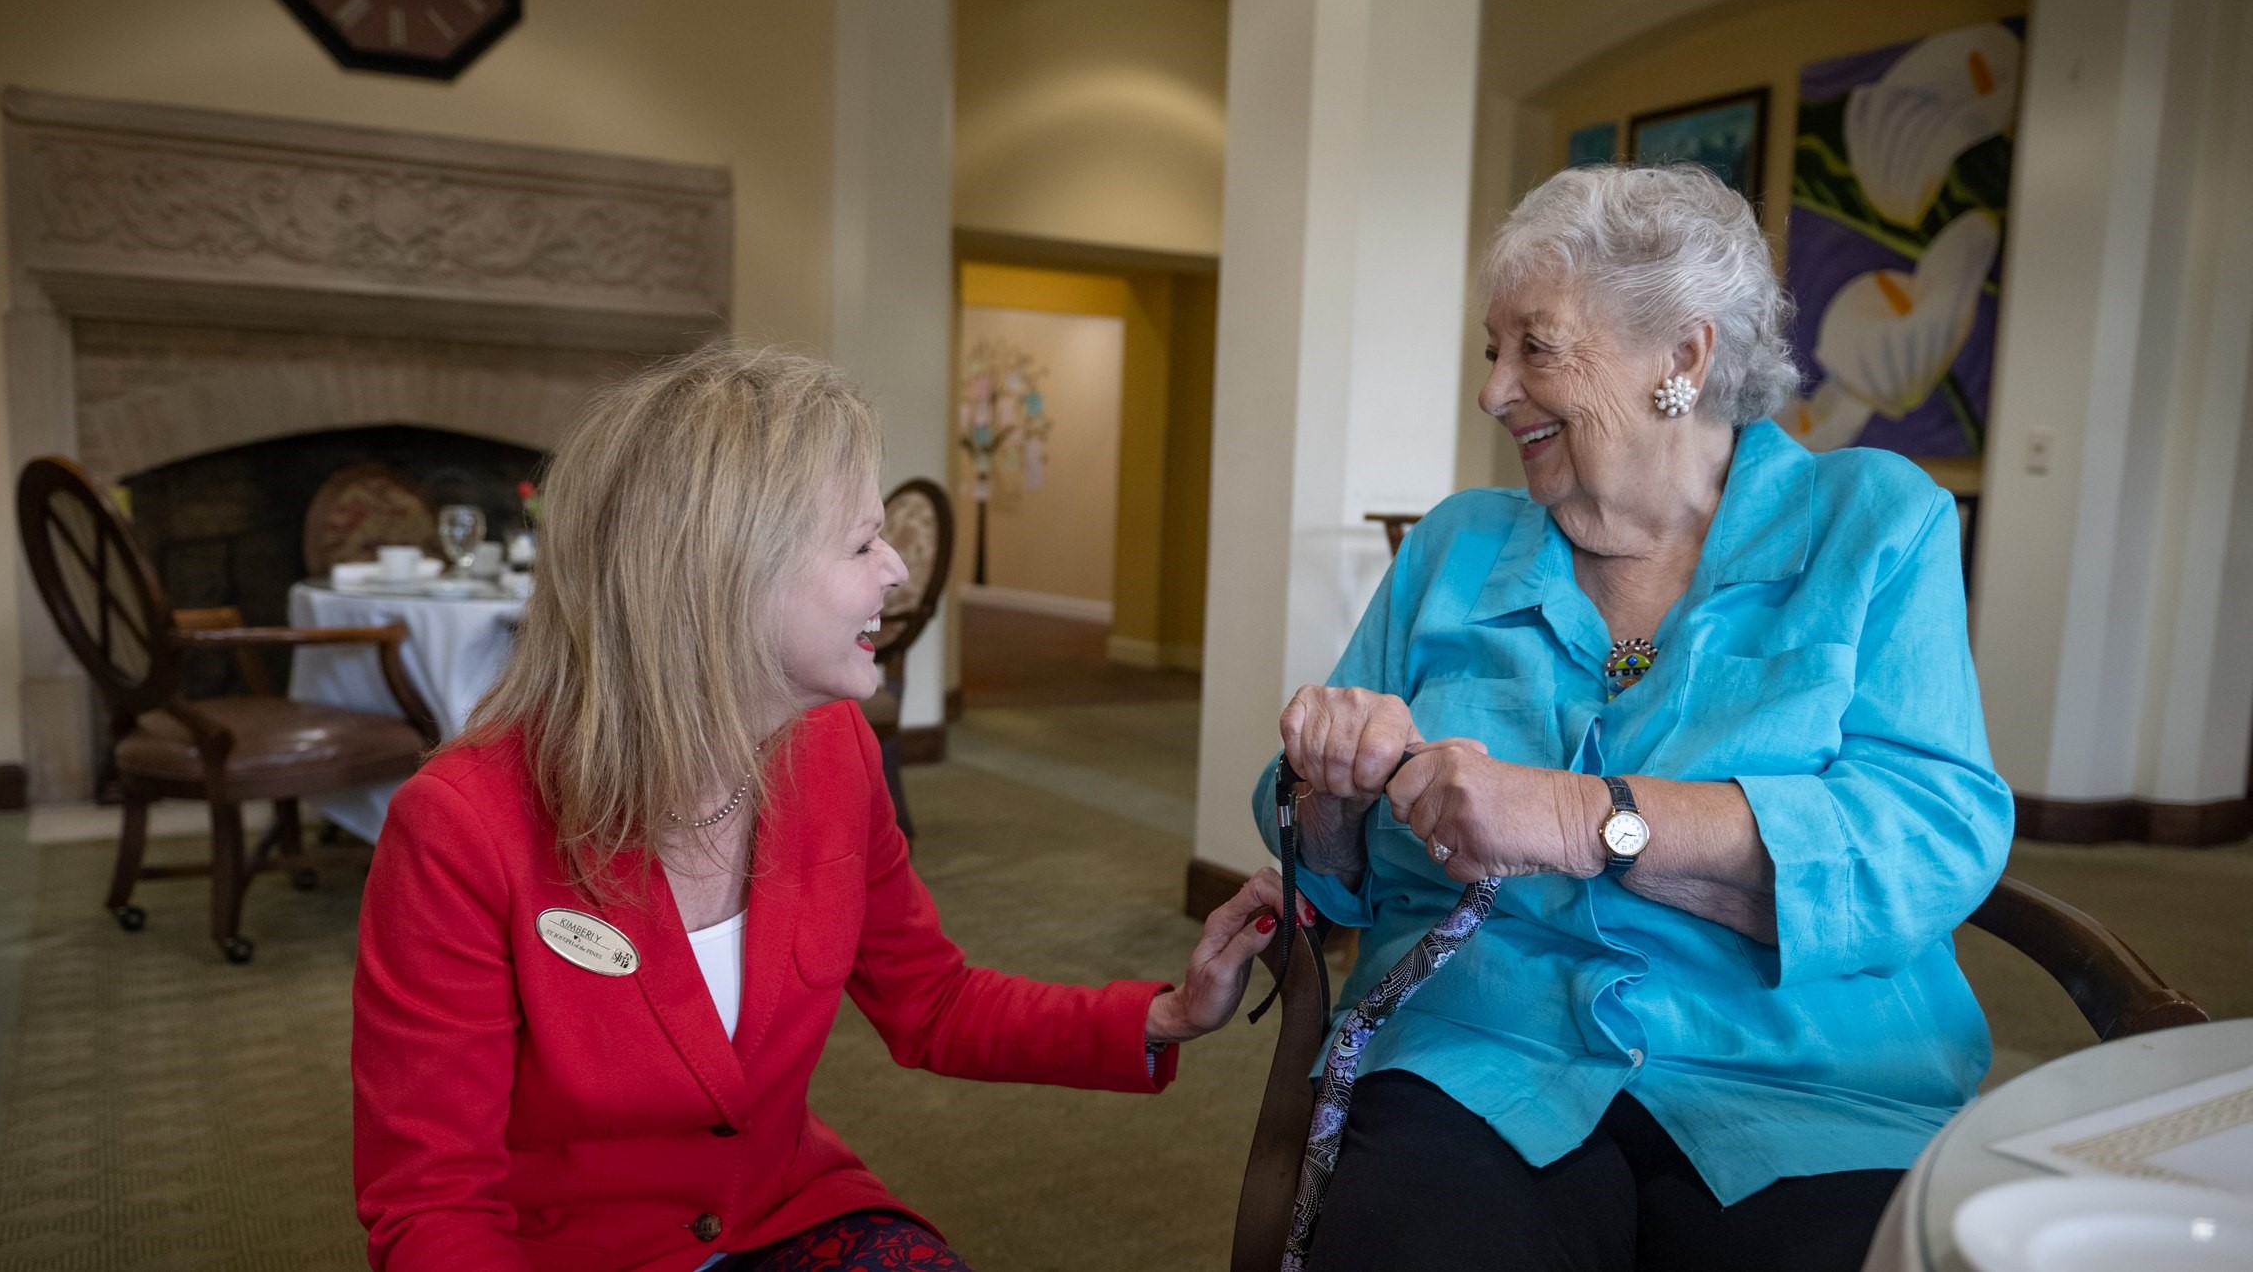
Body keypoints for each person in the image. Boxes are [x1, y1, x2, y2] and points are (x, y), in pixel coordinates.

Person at [353, 344, 1282, 1272]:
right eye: (862, 543)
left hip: (780, 1212)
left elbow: (931, 1003)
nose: (897, 570)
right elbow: (435, 1203)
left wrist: (1165, 1015)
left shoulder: (836, 749)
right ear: (725, 577)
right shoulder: (461, 826)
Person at [1261, 163, 2012, 1272]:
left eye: (1536, 346)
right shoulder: (1455, 545)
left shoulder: (1875, 523)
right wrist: (1332, 779)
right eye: (1491, 349)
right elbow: (1334, 876)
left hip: (1806, 1079)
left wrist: (1580, 818)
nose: (1494, 391)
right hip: (1480, 1053)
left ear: (1684, 357)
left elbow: (1931, 835)